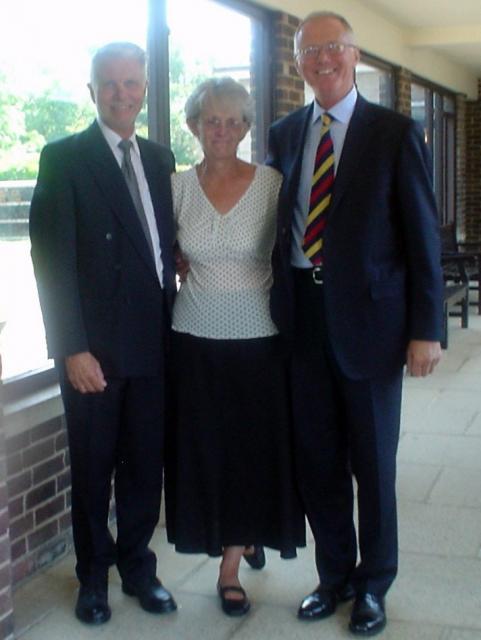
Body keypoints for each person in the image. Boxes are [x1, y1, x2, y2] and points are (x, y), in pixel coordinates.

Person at [267, 11, 443, 636]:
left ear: (354, 53)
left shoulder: (396, 132)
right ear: (297, 62)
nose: (323, 58)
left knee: (373, 465)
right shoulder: (285, 133)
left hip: (372, 327)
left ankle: (374, 586)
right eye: (310, 50)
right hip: (301, 323)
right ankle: (334, 575)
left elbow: (423, 237)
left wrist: (428, 328)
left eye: (333, 47)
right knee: (318, 462)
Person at [29, 42, 177, 625]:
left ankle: (139, 568)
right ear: (93, 91)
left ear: (144, 89)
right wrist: (71, 347)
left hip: (153, 343)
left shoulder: (162, 160)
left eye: (131, 82)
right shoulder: (63, 157)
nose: (122, 92)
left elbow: (160, 248)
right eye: (110, 83)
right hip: (94, 350)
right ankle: (93, 578)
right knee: (93, 469)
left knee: (145, 467)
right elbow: (51, 261)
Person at [165, 77, 305, 617]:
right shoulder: (176, 186)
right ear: (194, 124)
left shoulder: (273, 184)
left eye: (232, 120)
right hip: (193, 339)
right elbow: (163, 250)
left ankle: (229, 566)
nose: (221, 129)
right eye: (210, 119)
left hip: (258, 340)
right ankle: (237, 538)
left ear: (247, 127)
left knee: (247, 454)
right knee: (207, 452)